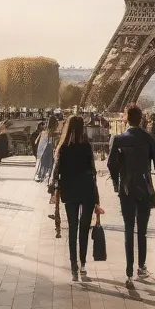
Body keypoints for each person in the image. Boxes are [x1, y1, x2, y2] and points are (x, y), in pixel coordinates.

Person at [107, 104, 155, 285]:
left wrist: (117, 183)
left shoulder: (119, 139)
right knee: (142, 230)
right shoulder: (148, 138)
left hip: (126, 188)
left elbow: (111, 164)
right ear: (141, 119)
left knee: (128, 228)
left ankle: (129, 272)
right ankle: (141, 267)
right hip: (145, 188)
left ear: (126, 118)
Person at [52, 115, 104, 282]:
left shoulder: (62, 148)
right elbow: (93, 172)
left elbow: (56, 172)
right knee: (84, 229)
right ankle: (82, 264)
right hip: (86, 191)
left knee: (72, 229)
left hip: (69, 191)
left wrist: (54, 191)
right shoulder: (86, 147)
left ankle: (73, 266)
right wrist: (97, 198)